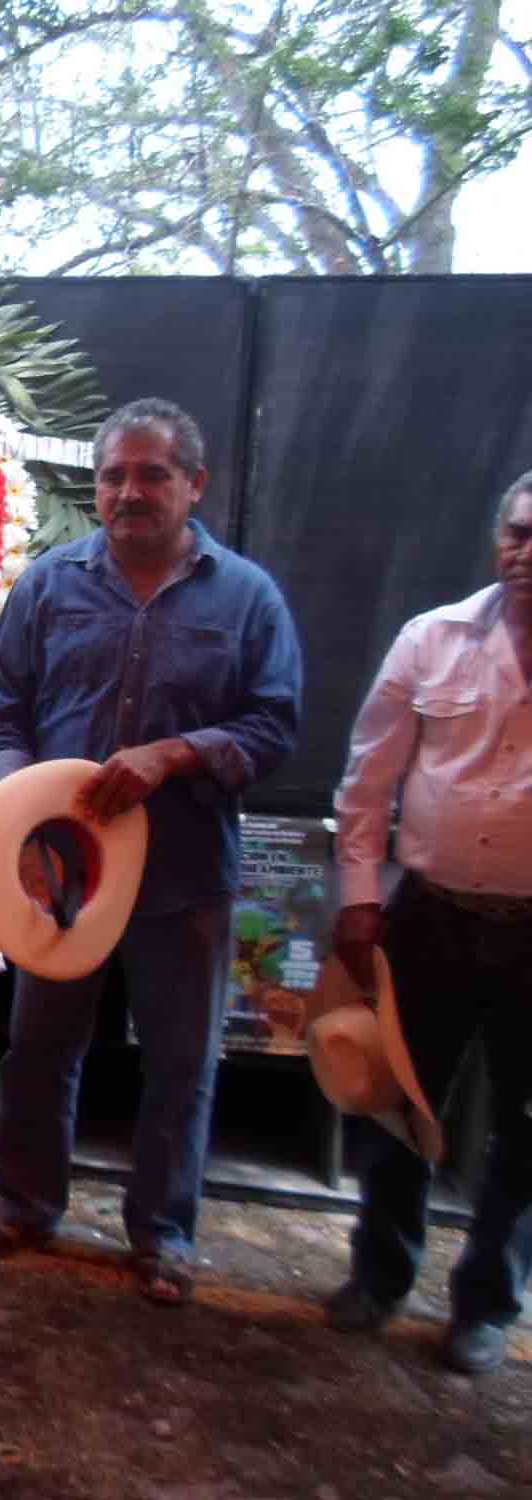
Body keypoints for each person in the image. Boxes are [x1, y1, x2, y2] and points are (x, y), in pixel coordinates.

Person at [0, 397, 303, 1306]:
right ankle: (26, 1204)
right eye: (113, 475)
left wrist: (178, 754)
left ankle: (163, 1235)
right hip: (60, 876)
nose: (129, 492)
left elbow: (274, 726)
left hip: (184, 878)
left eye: (152, 474)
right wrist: (18, 824)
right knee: (37, 1050)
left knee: (181, 1064)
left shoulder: (248, 597)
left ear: (196, 484)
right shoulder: (47, 587)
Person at [323, 471, 532, 1375]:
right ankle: (380, 1275)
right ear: (497, 536)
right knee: (399, 1105)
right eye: (519, 532)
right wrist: (360, 898)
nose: (528, 552)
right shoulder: (434, 639)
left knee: (528, 1126)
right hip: (431, 917)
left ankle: (487, 1303)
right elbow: (367, 782)